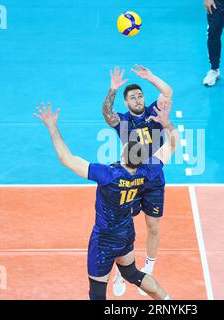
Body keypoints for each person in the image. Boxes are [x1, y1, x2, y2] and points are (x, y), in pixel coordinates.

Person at [34, 99, 179, 300]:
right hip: (126, 234)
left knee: (97, 294)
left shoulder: (108, 175)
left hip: (103, 241)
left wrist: (52, 127)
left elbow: (67, 159)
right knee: (132, 273)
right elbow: (172, 143)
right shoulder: (147, 171)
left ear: (122, 154)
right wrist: (167, 123)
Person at [101, 66, 173, 296]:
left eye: (140, 95)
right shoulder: (122, 122)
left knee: (153, 226)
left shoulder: (154, 111)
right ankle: (123, 273)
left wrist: (151, 77)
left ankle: (148, 271)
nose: (138, 99)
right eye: (132, 97)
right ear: (126, 103)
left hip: (153, 178)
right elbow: (106, 112)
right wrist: (113, 88)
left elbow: (168, 92)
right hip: (130, 179)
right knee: (126, 229)